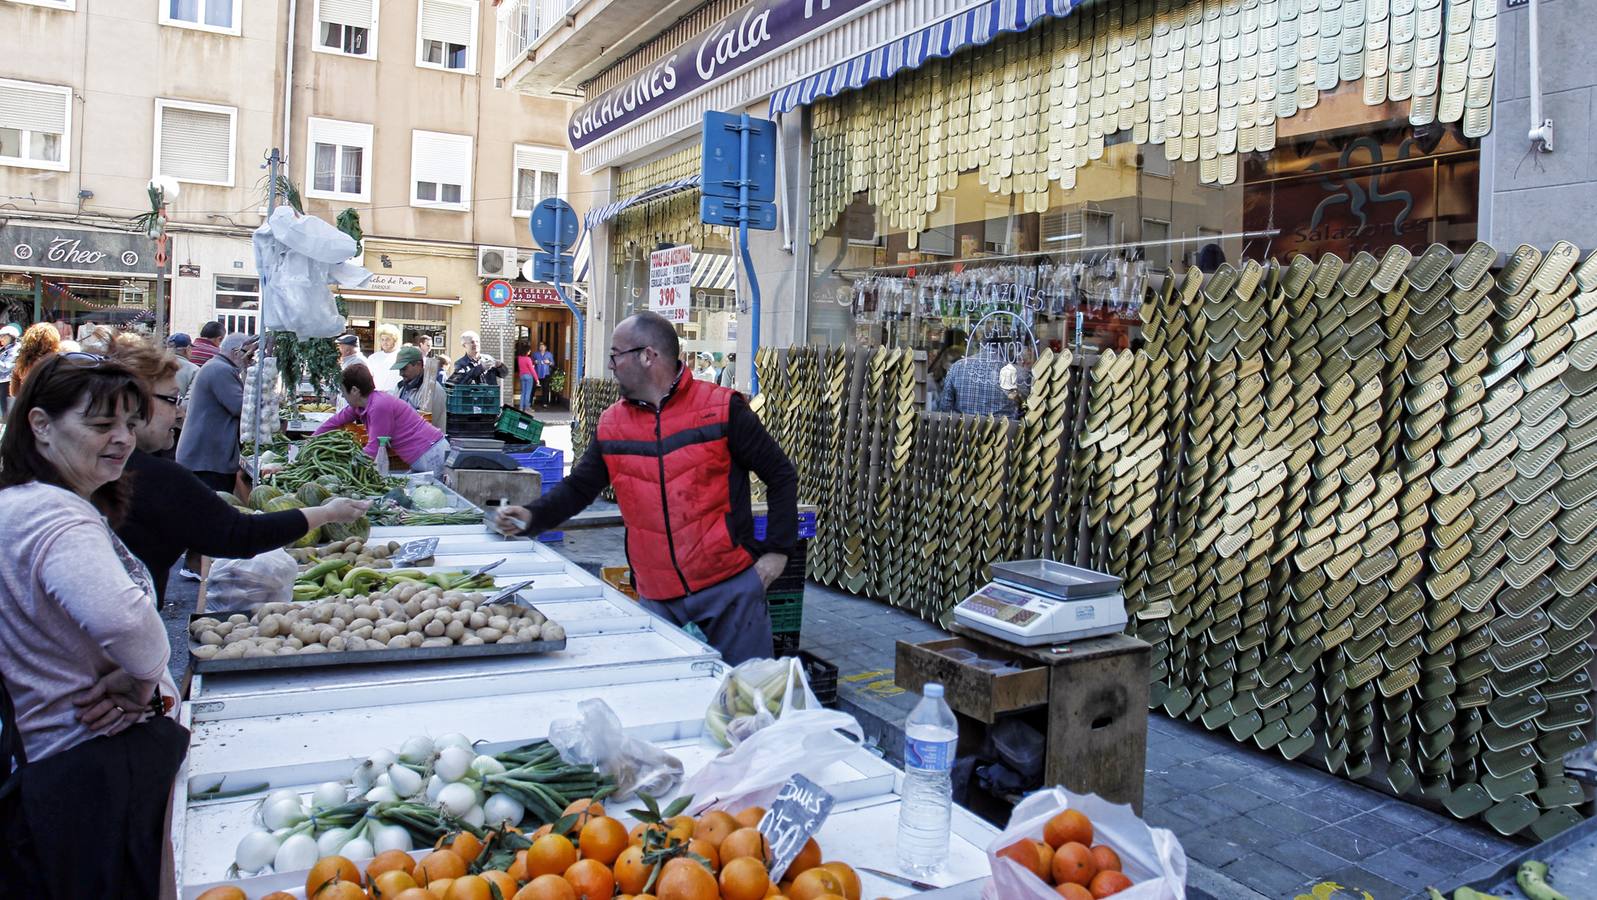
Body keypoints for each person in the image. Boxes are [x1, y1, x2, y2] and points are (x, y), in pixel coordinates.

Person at [492, 311, 798, 665]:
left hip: (729, 589)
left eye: (615, 355)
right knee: (668, 702)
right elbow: (580, 487)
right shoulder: (612, 423)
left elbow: (780, 475)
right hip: (657, 596)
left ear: (647, 356)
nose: (611, 365)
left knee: (748, 702)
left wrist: (778, 550)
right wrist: (532, 515)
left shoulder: (722, 409)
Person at [0, 351, 188, 898]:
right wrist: (147, 677)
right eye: (100, 424)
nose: (122, 439)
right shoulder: (56, 518)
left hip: (54, 758)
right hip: (93, 765)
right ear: (40, 423)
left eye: (129, 423)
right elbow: (127, 620)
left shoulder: (17, 502)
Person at [105, 334, 368, 605]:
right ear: (134, 402)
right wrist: (327, 513)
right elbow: (238, 534)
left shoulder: (102, 470)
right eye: (172, 400)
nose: (180, 413)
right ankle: (193, 566)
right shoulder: (153, 478)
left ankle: (194, 564)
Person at [314, 364, 451, 476]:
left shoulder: (379, 406)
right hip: (420, 455)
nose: (343, 396)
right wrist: (310, 441)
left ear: (355, 390)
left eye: (344, 392)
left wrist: (341, 468)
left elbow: (374, 447)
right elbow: (335, 421)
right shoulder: (360, 405)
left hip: (431, 452)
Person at [176, 333, 255, 496]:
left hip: (205, 458)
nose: (250, 359)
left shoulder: (217, 366)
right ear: (236, 351)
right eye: (249, 354)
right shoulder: (221, 370)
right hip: (207, 462)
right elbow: (242, 408)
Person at [941, 338, 1020, 418]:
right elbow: (1020, 406)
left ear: (981, 344)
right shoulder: (1013, 371)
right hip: (1003, 429)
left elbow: (945, 408)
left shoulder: (957, 366)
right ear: (1004, 347)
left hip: (965, 428)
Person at [393, 346, 447, 432]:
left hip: (427, 442)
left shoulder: (431, 390)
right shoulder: (400, 386)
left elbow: (424, 426)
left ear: (418, 364)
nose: (401, 373)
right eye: (399, 369)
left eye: (404, 368)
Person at [10, 322, 62, 398]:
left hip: (28, 404)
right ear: (54, 341)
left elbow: (14, 392)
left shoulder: (22, 361)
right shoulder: (56, 361)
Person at [368, 323, 401, 393]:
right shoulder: (373, 358)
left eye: (388, 339)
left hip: (396, 397)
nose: (384, 342)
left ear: (395, 340)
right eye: (382, 339)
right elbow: (368, 378)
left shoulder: (401, 356)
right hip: (378, 396)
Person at [0, 323, 20, 415]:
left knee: (7, 411)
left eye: (3, 336)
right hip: (3, 382)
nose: (1, 338)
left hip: (8, 383)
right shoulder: (5, 349)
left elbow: (6, 367)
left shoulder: (15, 349)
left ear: (11, 337)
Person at [515, 341, 539, 412]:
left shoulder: (519, 358)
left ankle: (521, 407)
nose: (530, 352)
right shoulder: (528, 359)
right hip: (528, 376)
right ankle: (527, 407)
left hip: (522, 376)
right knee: (528, 392)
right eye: (529, 351)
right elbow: (532, 370)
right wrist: (537, 379)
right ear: (527, 351)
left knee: (523, 392)